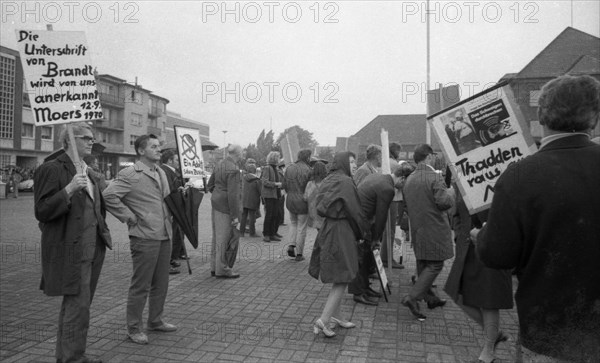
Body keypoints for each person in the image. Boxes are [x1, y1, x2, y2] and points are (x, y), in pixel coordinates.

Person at [475, 75, 600, 362]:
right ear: (593, 118)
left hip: (549, 332)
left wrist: (480, 237)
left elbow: (497, 255)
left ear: (541, 116)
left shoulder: (519, 175)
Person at [34, 122, 112, 363]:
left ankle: (70, 354)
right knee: (77, 306)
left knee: (79, 305)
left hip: (94, 246)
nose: (91, 142)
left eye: (92, 138)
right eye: (85, 138)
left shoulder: (87, 170)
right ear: (69, 140)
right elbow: (42, 210)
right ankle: (72, 357)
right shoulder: (52, 169)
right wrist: (68, 189)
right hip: (72, 248)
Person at [103, 134, 177, 345]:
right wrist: (129, 216)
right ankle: (134, 328)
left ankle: (155, 320)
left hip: (164, 234)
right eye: (153, 146)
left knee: (161, 283)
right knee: (141, 285)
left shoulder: (160, 171)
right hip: (144, 237)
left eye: (159, 146)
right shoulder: (130, 173)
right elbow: (109, 196)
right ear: (141, 151)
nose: (159, 149)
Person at [444, 191, 512, 363]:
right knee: (456, 293)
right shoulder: (461, 181)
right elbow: (457, 214)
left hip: (491, 246)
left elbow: (510, 215)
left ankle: (488, 351)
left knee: (489, 300)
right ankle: (493, 333)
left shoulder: (502, 179)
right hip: (467, 248)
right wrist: (459, 233)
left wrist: (485, 231)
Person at [308, 152, 368, 337]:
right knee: (343, 276)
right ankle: (324, 320)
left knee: (339, 273)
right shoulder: (345, 181)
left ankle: (337, 317)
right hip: (342, 230)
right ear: (343, 163)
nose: (355, 164)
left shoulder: (329, 178)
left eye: (355, 160)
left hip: (329, 228)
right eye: (351, 161)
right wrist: (362, 233)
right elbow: (355, 211)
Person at [401, 144, 454, 321]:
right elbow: (443, 203)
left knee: (423, 262)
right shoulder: (434, 177)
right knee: (435, 264)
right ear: (429, 156)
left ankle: (431, 298)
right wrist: (452, 192)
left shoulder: (410, 178)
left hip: (418, 228)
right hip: (434, 227)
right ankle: (413, 297)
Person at [349, 173, 396, 307]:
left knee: (366, 258)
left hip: (362, 221)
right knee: (360, 259)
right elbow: (381, 215)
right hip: (360, 222)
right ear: (402, 178)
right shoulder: (387, 188)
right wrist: (376, 238)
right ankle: (358, 293)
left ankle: (364, 287)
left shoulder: (377, 177)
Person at [209, 144, 243, 278]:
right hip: (225, 207)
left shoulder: (219, 164)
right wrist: (235, 216)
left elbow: (210, 185)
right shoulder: (233, 169)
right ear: (238, 154)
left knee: (216, 237)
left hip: (216, 203)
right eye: (242, 153)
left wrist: (217, 194)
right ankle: (222, 268)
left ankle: (214, 266)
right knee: (224, 238)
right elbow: (233, 195)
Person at [283, 149, 312, 261]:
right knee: (302, 227)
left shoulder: (289, 168)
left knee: (293, 224)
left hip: (290, 199)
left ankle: (291, 245)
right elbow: (309, 188)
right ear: (307, 157)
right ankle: (299, 254)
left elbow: (284, 184)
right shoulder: (309, 170)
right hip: (302, 201)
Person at [159, 149, 184, 275]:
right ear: (169, 160)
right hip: (167, 209)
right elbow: (167, 191)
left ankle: (170, 259)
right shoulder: (165, 171)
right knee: (168, 235)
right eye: (176, 160)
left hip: (170, 209)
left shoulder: (168, 171)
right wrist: (177, 190)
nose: (178, 162)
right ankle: (166, 262)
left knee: (172, 234)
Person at [381, 142, 404, 269]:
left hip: (385, 198)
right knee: (391, 230)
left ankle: (385, 257)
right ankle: (387, 258)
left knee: (386, 230)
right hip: (394, 198)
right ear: (395, 152)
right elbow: (399, 183)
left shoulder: (384, 162)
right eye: (399, 152)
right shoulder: (395, 164)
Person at [261, 151, 283, 242]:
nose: (279, 159)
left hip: (276, 195)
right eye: (278, 157)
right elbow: (264, 182)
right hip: (269, 195)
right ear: (274, 158)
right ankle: (266, 234)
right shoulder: (267, 168)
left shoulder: (276, 169)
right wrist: (276, 184)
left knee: (275, 215)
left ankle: (272, 233)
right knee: (269, 215)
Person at [304, 161, 327, 234]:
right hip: (324, 213)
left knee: (320, 232)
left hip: (314, 213)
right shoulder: (327, 182)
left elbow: (305, 198)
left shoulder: (310, 184)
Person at [240, 164, 261, 238]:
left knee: (243, 216)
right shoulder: (257, 180)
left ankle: (241, 232)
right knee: (252, 217)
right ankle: (252, 233)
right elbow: (260, 191)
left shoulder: (243, 178)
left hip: (244, 200)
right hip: (253, 200)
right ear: (255, 171)